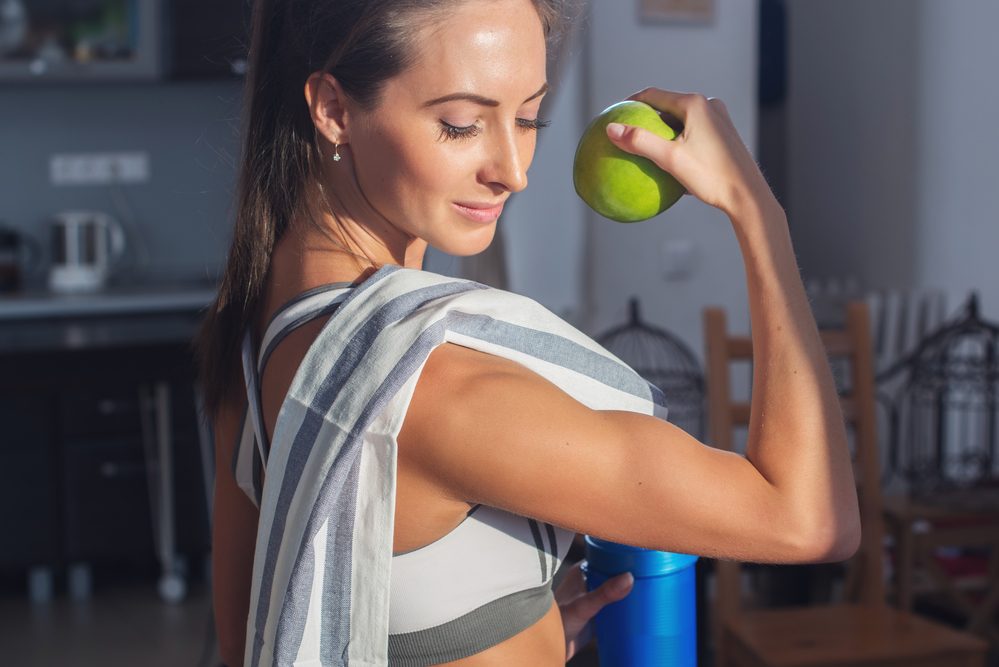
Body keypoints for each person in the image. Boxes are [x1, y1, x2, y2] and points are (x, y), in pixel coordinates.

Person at [196, 0, 862, 665]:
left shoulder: (260, 329)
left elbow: (248, 639)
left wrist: (511, 631)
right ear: (335, 110)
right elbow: (807, 520)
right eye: (460, 125)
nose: (512, 171)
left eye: (526, 117)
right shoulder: (441, 387)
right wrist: (757, 213)